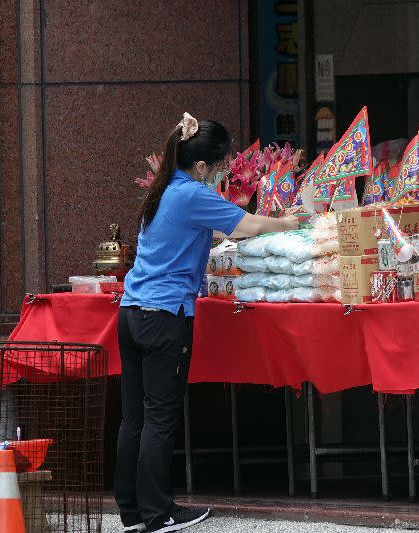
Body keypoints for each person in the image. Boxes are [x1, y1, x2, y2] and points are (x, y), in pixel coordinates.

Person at [116, 113, 298, 533]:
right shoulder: (192, 194)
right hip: (164, 317)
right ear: (200, 167)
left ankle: (130, 511)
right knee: (159, 418)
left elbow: (195, 232)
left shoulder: (164, 190)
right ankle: (157, 513)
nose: (219, 174)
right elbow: (246, 224)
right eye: (218, 168)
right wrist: (289, 223)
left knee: (134, 419)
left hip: (131, 311)